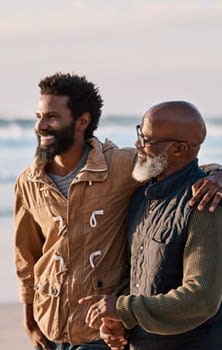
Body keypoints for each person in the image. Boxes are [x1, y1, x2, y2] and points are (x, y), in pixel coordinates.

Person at [14, 74, 222, 350]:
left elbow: (182, 167)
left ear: (82, 121)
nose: (40, 125)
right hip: (53, 328)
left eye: (51, 116)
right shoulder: (28, 183)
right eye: (38, 116)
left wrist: (218, 175)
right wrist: (30, 321)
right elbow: (26, 258)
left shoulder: (124, 168)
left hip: (100, 337)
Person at [79, 101, 222, 350]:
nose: (138, 145)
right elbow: (135, 274)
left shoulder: (205, 205)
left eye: (146, 139)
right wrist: (118, 321)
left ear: (179, 149)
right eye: (139, 133)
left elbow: (201, 297)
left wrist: (122, 308)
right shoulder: (140, 196)